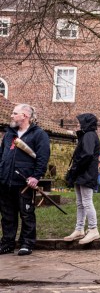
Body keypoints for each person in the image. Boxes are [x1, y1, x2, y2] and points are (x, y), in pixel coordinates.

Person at [0, 104, 50, 256]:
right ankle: (7, 243)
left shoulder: (39, 134)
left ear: (25, 116)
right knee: (7, 215)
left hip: (24, 182)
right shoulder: (9, 134)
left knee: (27, 214)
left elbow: (42, 158)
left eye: (15, 113)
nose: (11, 116)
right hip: (5, 180)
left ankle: (27, 243)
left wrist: (36, 176)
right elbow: (2, 155)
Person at [64, 113, 100, 245]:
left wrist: (75, 169)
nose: (78, 124)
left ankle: (93, 229)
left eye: (80, 122)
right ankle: (79, 229)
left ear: (86, 123)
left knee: (86, 202)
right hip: (82, 173)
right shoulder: (86, 135)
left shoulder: (89, 135)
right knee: (80, 203)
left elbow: (87, 154)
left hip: (86, 173)